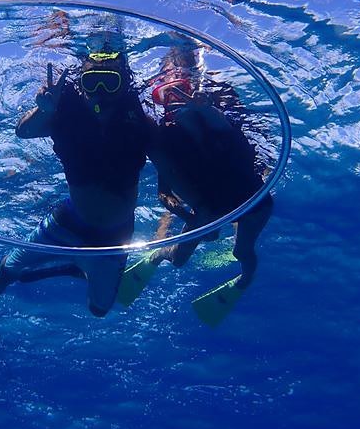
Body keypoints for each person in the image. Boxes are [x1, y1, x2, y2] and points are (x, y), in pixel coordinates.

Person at [0, 48, 153, 317]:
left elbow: (174, 160)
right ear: (81, 83)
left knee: (99, 310)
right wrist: (44, 109)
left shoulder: (139, 123)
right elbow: (23, 131)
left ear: (124, 85)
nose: (100, 91)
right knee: (7, 270)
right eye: (91, 82)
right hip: (70, 219)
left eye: (110, 83)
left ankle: (76, 265)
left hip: (114, 236)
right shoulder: (65, 113)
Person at [117, 45, 273, 327]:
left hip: (252, 199)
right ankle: (158, 253)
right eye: (167, 95)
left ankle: (244, 280)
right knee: (179, 259)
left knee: (242, 252)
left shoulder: (217, 118)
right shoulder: (165, 139)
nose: (174, 101)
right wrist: (190, 217)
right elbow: (164, 194)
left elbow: (227, 128)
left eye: (180, 92)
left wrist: (207, 108)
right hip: (210, 206)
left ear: (193, 90)